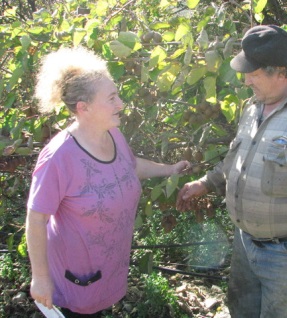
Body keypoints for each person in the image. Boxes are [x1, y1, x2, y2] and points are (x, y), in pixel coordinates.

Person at [176, 25, 287, 317]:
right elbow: (239, 158)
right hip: (244, 242)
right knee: (241, 310)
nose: (246, 80)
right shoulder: (254, 106)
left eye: (254, 72)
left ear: (283, 72)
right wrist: (207, 182)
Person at [26, 46, 190, 317]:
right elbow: (36, 218)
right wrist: (40, 278)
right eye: (112, 98)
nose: (121, 104)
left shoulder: (113, 135)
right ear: (84, 107)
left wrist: (170, 169)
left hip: (107, 268)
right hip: (75, 279)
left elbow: (131, 166)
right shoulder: (59, 157)